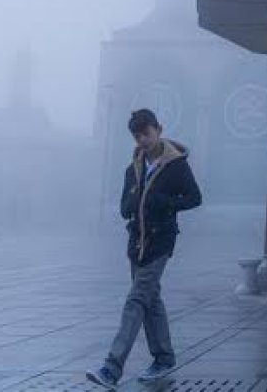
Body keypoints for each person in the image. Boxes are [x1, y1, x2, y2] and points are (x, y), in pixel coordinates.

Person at [87, 108, 202, 388]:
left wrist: (165, 201)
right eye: (137, 136)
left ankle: (111, 369)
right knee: (151, 299)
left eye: (146, 134)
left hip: (160, 240)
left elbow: (195, 198)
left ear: (158, 129)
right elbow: (126, 204)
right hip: (136, 241)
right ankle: (163, 357)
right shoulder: (135, 165)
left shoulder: (176, 164)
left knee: (136, 300)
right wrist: (129, 205)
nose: (143, 140)